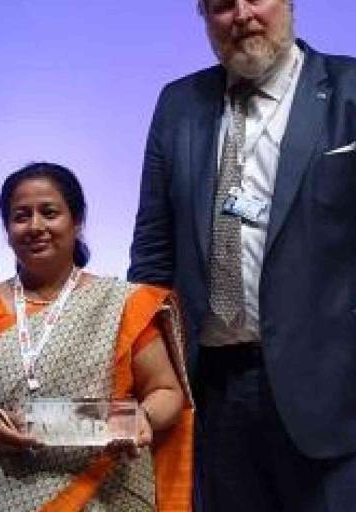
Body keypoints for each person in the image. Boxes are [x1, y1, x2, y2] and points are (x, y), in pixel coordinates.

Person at [128, 1, 356, 510]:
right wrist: (153, 368)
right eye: (222, 5)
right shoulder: (179, 104)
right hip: (216, 390)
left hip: (333, 392)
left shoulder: (349, 90)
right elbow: (152, 252)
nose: (242, 14)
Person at [0, 162, 193, 511]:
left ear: (77, 220)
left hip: (110, 492)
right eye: (21, 216)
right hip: (7, 493)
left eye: (49, 212)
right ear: (7, 230)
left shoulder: (121, 304)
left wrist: (142, 418)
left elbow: (166, 391)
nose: (35, 226)